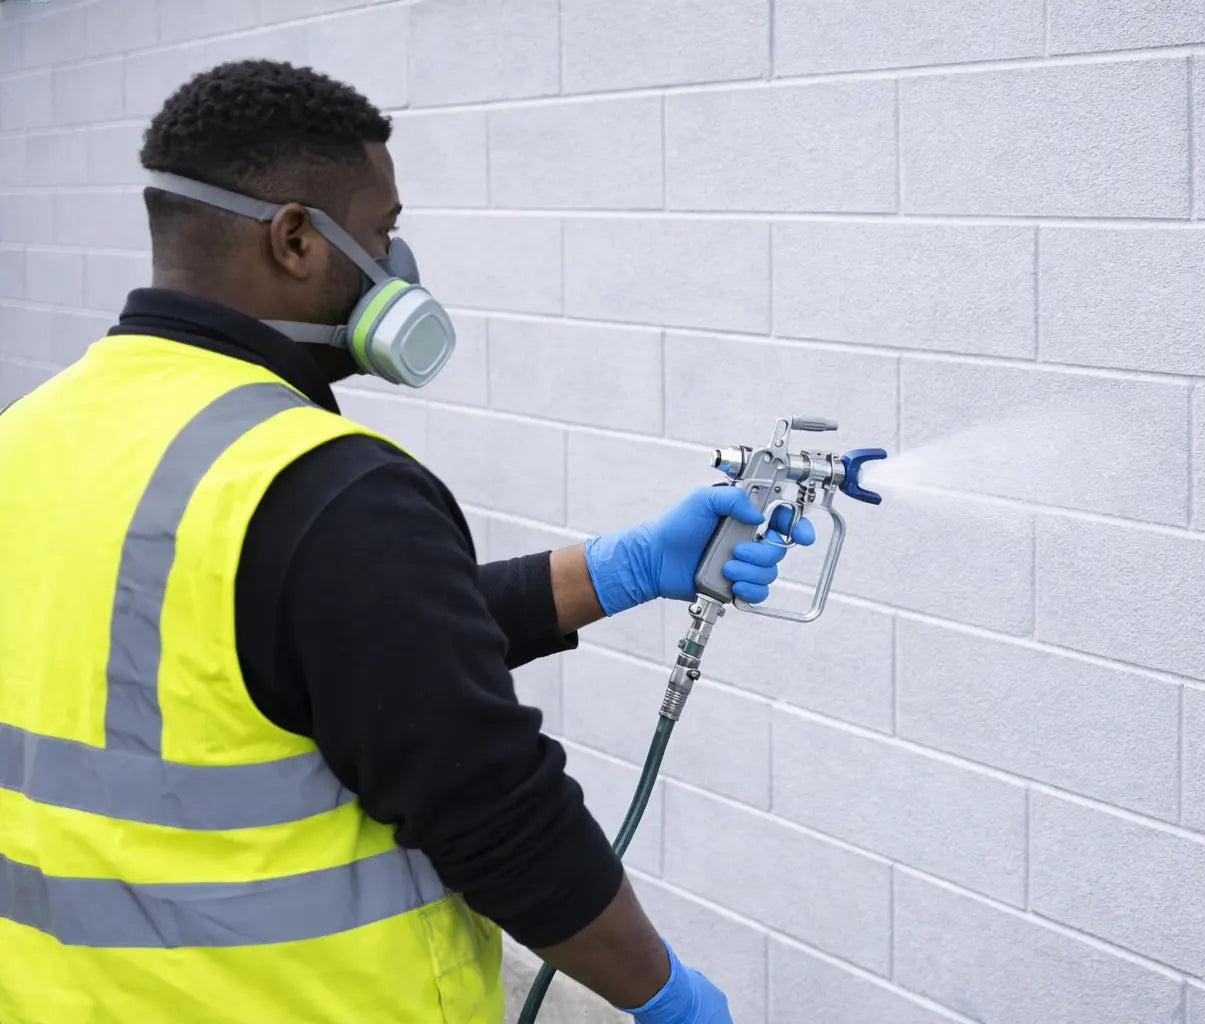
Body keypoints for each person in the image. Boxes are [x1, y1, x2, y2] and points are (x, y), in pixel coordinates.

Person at [0, 59, 812, 1024]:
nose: (398, 264)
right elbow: (496, 814)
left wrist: (622, 569)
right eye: (384, 231)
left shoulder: (34, 431)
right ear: (296, 238)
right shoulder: (324, 483)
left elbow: (308, 650)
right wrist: (665, 996)